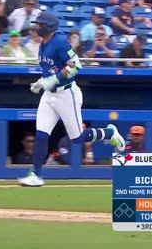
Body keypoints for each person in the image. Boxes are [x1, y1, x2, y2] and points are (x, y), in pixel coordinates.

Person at [17, 12, 125, 187]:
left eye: (40, 24)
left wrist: (54, 79)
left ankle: (110, 133)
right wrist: (41, 81)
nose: (37, 27)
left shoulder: (59, 42)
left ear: (49, 27)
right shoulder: (42, 45)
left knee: (78, 138)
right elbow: (49, 69)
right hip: (49, 95)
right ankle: (35, 175)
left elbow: (76, 66)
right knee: (41, 135)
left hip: (67, 94)